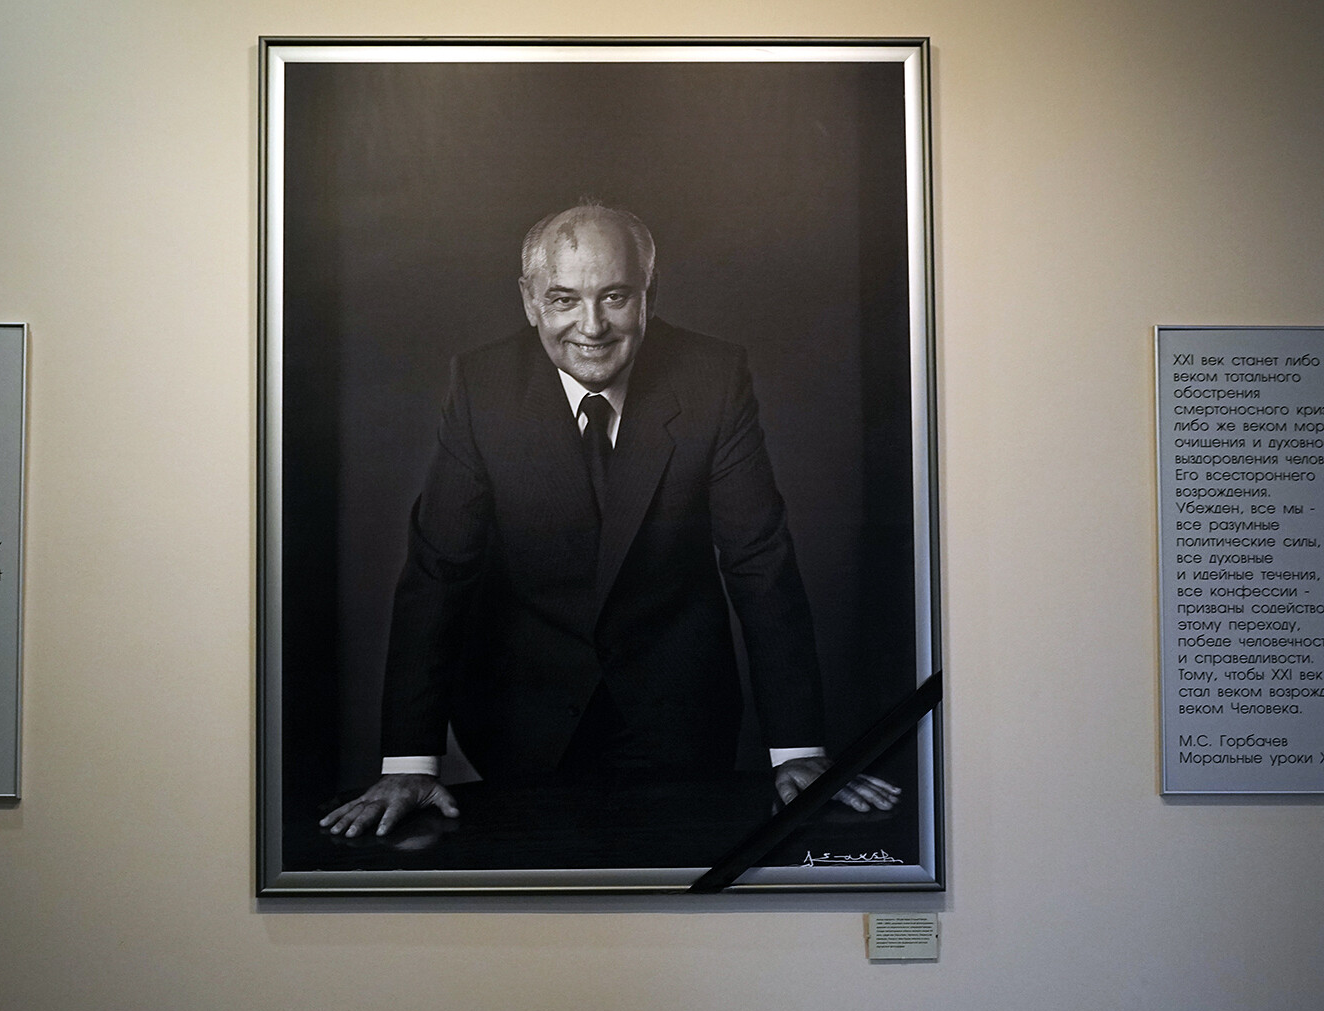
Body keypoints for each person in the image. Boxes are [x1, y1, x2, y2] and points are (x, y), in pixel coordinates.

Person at [322, 203, 897, 837]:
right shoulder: (482, 386)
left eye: (615, 297)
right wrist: (409, 761)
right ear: (530, 301)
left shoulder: (713, 378)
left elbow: (760, 563)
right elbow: (439, 572)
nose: (591, 326)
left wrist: (797, 752)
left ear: (651, 293)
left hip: (680, 716)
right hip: (517, 715)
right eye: (564, 299)